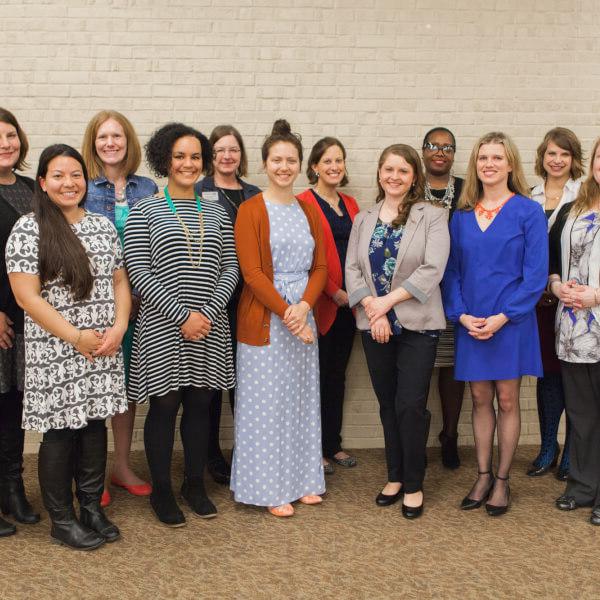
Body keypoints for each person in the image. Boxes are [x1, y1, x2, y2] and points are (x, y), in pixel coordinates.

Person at [7, 144, 130, 549]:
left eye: (75, 174)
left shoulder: (101, 225)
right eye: (58, 175)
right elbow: (28, 298)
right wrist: (75, 336)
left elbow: (118, 281)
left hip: (102, 345)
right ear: (42, 183)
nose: (68, 183)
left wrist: (119, 326)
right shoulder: (28, 228)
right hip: (57, 349)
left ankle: (91, 507)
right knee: (61, 432)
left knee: (95, 425)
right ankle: (62, 520)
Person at [124, 123, 238, 527]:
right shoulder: (146, 210)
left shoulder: (217, 209)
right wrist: (182, 315)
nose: (187, 164)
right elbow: (138, 270)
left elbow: (231, 266)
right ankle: (162, 491)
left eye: (194, 157)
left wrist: (206, 312)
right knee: (165, 406)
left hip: (209, 324)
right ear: (164, 160)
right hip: (162, 326)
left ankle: (193, 484)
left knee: (201, 405)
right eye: (179, 156)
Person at [443, 132, 548, 516]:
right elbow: (451, 273)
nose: (489, 164)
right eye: (483, 157)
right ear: (476, 165)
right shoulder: (461, 215)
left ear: (510, 165)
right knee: (479, 398)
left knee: (506, 399)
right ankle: (483, 474)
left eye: (497, 158)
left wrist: (504, 317)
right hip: (471, 321)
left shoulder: (527, 211)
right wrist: (462, 315)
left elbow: (535, 275)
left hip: (511, 322)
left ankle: (503, 480)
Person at [346, 143, 449, 519]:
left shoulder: (432, 216)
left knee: (410, 406)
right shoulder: (364, 218)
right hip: (374, 326)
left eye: (403, 171)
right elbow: (352, 270)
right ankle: (394, 475)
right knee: (388, 403)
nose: (395, 176)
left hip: (417, 325)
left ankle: (414, 483)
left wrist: (385, 304)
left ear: (414, 177)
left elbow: (432, 269)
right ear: (379, 173)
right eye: (389, 169)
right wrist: (373, 312)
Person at [230, 119, 327, 518]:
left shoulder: (309, 209)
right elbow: (252, 274)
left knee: (301, 403)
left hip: (303, 315)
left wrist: (304, 307)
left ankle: (303, 481)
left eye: (291, 160)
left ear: (300, 165)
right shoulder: (251, 210)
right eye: (276, 160)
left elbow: (320, 266)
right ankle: (269, 488)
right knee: (266, 407)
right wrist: (289, 314)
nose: (284, 167)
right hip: (265, 321)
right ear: (264, 164)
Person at [82, 110, 157, 507]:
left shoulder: (148, 188)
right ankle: (93, 473)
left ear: (128, 141)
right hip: (94, 305)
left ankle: (123, 466)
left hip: (141, 305)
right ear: (93, 143)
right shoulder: (82, 185)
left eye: (117, 136)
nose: (110, 143)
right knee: (97, 387)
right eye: (102, 137)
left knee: (126, 387)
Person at [194, 125, 260, 485]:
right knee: (211, 380)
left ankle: (246, 452)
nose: (227, 156)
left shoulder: (254, 194)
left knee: (244, 380)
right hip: (211, 299)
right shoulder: (199, 190)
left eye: (233, 149)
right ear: (211, 156)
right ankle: (210, 454)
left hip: (249, 300)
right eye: (219, 150)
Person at [297, 137, 360, 475]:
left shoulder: (350, 204)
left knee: (337, 376)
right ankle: (312, 449)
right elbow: (303, 257)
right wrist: (334, 291)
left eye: (339, 160)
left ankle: (332, 445)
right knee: (312, 378)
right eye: (328, 161)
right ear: (314, 167)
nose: (334, 166)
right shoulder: (302, 203)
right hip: (318, 302)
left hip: (350, 307)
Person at [548, 137, 600, 526]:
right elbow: (551, 261)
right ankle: (582, 486)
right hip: (572, 328)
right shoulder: (573, 207)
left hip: (598, 315)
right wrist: (556, 286)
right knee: (581, 413)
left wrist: (596, 295)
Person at [528, 127, 583, 480]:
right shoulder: (528, 196)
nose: (557, 160)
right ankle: (549, 446)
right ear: (542, 157)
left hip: (574, 299)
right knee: (547, 373)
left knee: (572, 376)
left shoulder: (585, 195)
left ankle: (572, 452)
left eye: (564, 154)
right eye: (551, 153)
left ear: (574, 159)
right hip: (539, 301)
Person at [0, 108, 40, 537]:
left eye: (11, 135)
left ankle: (11, 488)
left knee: (11, 404)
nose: (6, 143)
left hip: (26, 317)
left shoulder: (33, 189)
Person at [421, 127, 466, 469]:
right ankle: (415, 437)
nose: (440, 151)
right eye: (433, 146)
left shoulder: (467, 190)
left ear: (453, 154)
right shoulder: (409, 185)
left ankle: (449, 435)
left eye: (446, 147)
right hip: (416, 290)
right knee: (418, 366)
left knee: (451, 367)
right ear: (423, 151)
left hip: (455, 289)